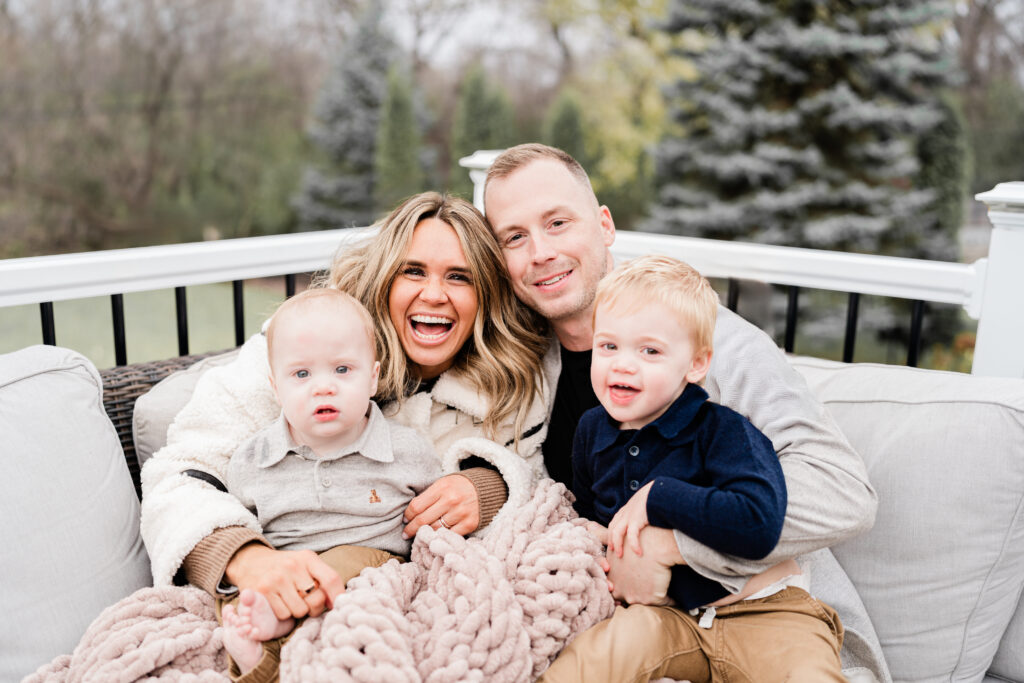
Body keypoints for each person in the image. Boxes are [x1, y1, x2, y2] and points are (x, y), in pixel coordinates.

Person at [482, 144, 876, 673]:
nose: (540, 252)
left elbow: (844, 492)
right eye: (515, 237)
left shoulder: (716, 343)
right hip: (623, 630)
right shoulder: (522, 362)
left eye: (557, 222)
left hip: (766, 620)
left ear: (604, 225)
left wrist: (673, 546)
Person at [140, 192, 556, 678]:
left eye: (459, 277)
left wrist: (489, 487)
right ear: (384, 277)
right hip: (274, 574)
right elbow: (183, 470)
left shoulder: (510, 378)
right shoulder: (308, 342)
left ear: (484, 293)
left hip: (399, 591)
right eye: (413, 271)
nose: (435, 294)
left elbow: (540, 485)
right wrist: (244, 558)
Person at [539, 255, 844, 681]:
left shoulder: (722, 431)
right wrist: (594, 535)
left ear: (697, 364)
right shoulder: (593, 430)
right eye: (608, 346)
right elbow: (597, 513)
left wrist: (659, 497)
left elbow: (758, 523)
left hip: (765, 610)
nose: (623, 363)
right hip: (666, 617)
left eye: (650, 350)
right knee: (585, 664)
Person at [219, 288, 440, 680]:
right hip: (286, 567)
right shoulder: (253, 460)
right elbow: (237, 524)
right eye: (301, 374)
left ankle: (280, 639)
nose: (323, 387)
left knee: (341, 566)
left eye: (342, 370)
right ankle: (261, 657)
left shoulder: (405, 451)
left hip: (370, 565)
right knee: (239, 600)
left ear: (372, 378)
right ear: (276, 388)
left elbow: (440, 512)